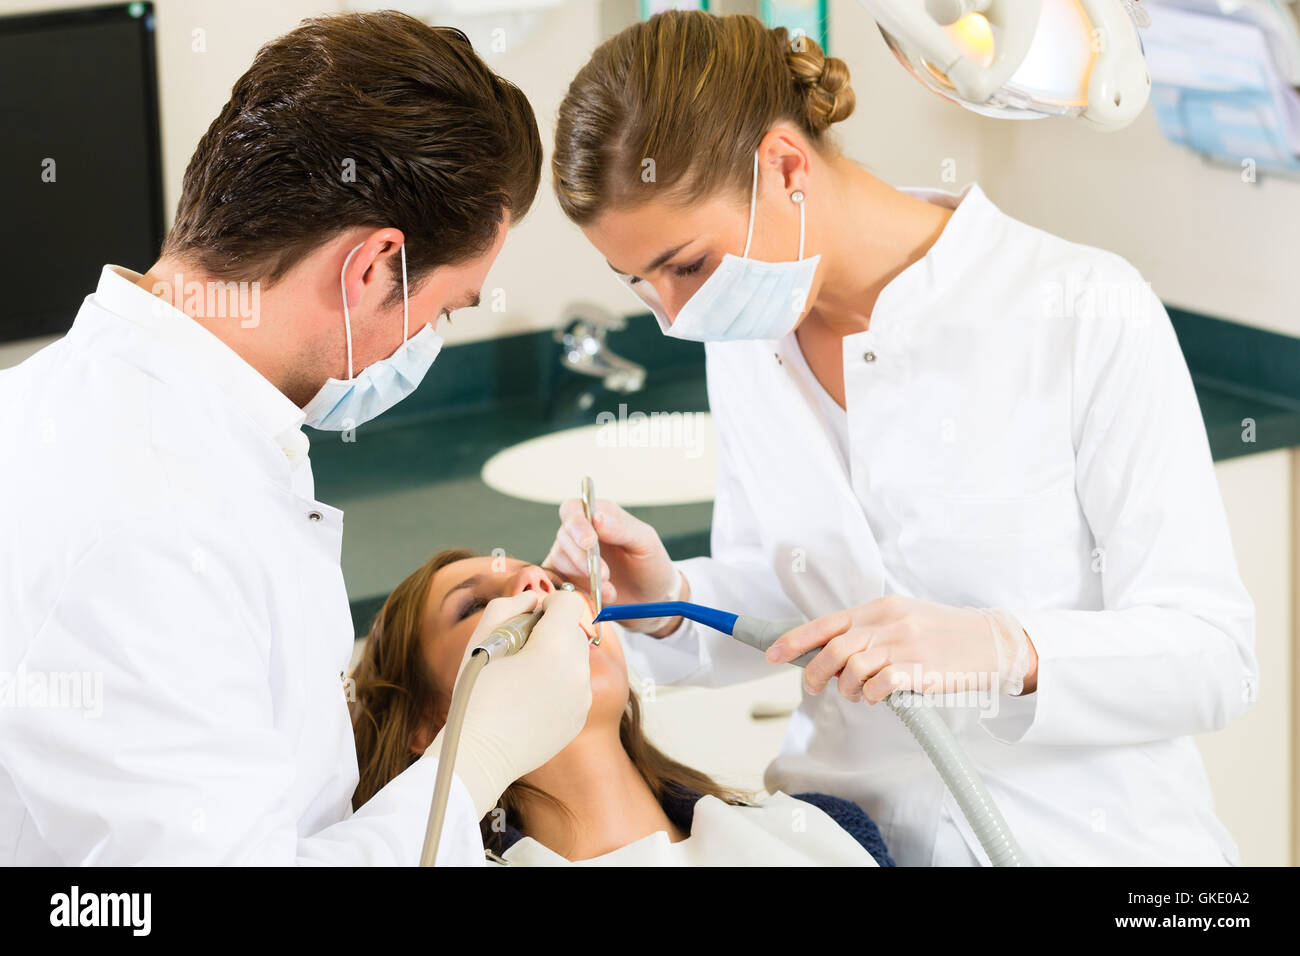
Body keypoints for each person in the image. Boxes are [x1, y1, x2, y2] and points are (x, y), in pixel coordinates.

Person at [543, 10, 1257, 865]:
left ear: (784, 166)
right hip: (848, 842)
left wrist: (1003, 649)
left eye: (687, 265)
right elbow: (792, 602)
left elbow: (1213, 657)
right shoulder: (745, 339)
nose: (674, 317)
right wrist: (668, 601)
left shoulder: (1081, 308)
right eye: (639, 283)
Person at [0, 12, 591, 866]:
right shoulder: (144, 517)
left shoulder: (137, 424)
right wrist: (472, 769)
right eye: (445, 310)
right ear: (370, 269)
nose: (423, 344)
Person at [350, 549, 894, 866]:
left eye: (556, 583)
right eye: (478, 605)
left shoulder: (826, 829)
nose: (542, 586)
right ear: (428, 725)